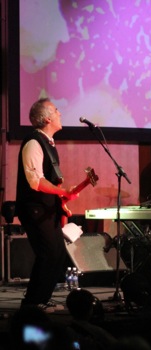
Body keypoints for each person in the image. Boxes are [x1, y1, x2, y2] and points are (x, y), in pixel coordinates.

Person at [16, 97, 78, 312]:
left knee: (57, 253)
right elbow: (36, 181)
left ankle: (42, 298)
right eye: (57, 110)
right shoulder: (34, 142)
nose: (60, 114)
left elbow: (51, 181)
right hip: (34, 208)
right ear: (47, 118)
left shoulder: (49, 143)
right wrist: (62, 191)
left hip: (46, 207)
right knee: (48, 253)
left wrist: (61, 201)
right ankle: (32, 302)